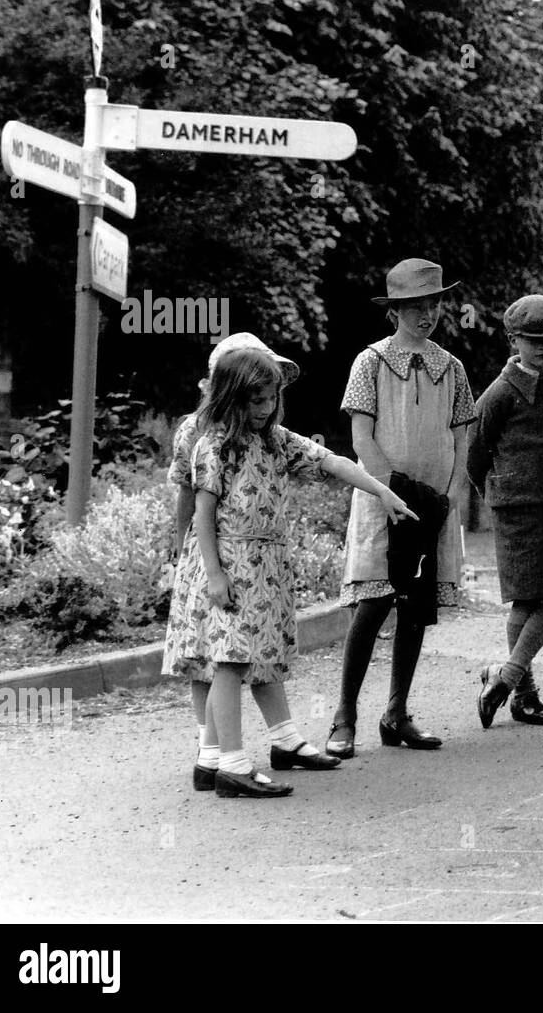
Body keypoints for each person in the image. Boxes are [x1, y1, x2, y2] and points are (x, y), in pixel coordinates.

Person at [163, 348, 415, 797]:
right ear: (229, 397)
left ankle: (220, 761)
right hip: (231, 562)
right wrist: (215, 573)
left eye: (270, 400)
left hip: (266, 565)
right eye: (254, 401)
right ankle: (231, 766)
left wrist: (381, 491)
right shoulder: (214, 445)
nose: (263, 410)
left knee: (251, 658)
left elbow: (330, 461)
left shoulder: (276, 440)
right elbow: (203, 514)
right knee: (230, 660)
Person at [164, 332, 341, 789]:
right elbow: (190, 493)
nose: (263, 402)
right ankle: (214, 756)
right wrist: (186, 555)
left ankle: (277, 740)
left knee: (246, 648)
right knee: (212, 654)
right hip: (211, 551)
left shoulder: (265, 434)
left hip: (248, 553)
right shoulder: (199, 431)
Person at [327, 259, 476, 759]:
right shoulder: (370, 362)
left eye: (433, 303)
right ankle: (344, 715)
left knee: (415, 606)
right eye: (415, 305)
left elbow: (462, 439)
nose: (426, 314)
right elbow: (361, 437)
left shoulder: (451, 367)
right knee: (372, 603)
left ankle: (396, 711)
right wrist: (388, 490)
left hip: (433, 502)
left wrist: (451, 497)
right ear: (395, 311)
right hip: (381, 498)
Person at [466, 295, 543, 728]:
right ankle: (525, 696)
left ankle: (504, 676)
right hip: (517, 509)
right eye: (534, 340)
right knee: (527, 598)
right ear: (514, 339)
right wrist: (500, 494)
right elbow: (476, 454)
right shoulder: (499, 394)